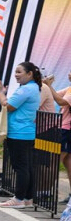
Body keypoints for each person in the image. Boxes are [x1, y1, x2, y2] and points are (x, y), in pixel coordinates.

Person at [0, 62, 41, 208]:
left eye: (19, 72)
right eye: (15, 72)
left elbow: (8, 106)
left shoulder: (25, 89)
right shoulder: (33, 88)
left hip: (19, 132)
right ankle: (27, 198)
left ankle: (18, 199)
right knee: (27, 166)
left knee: (20, 167)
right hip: (26, 131)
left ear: (29, 73)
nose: (16, 75)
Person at [42, 72, 71, 203]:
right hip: (64, 128)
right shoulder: (69, 88)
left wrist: (49, 86)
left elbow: (60, 101)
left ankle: (47, 192)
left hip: (66, 129)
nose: (69, 74)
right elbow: (55, 95)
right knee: (68, 162)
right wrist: (48, 85)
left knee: (55, 161)